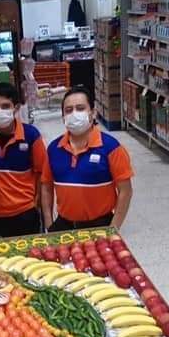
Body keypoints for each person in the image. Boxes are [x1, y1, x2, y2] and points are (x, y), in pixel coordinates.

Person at [41, 86, 133, 232]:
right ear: (63, 117)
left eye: (80, 108)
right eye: (68, 110)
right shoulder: (54, 149)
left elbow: (125, 191)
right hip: (63, 226)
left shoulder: (111, 148)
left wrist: (112, 229)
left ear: (93, 112)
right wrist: (49, 224)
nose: (74, 114)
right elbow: (46, 187)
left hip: (100, 226)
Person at [0, 82, 48, 238]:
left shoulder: (31, 135)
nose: (0, 111)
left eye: (5, 106)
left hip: (26, 211)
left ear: (16, 108)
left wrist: (37, 204)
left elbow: (42, 173)